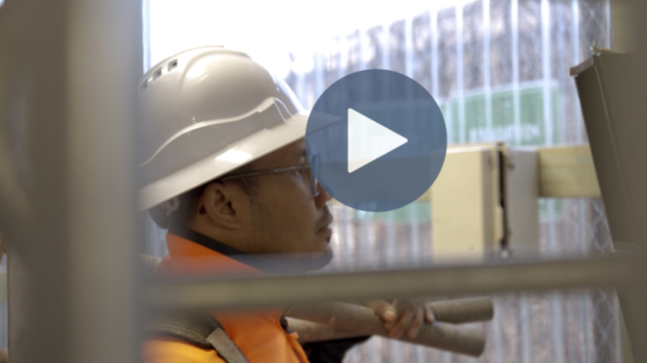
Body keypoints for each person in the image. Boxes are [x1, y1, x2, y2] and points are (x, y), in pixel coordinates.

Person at [140, 47, 433, 363]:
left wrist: (337, 333)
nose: (325, 193)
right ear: (225, 205)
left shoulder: (239, 320)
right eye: (300, 169)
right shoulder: (186, 354)